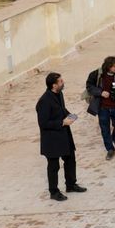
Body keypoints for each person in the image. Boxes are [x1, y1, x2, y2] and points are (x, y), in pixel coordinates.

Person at [36, 71, 84, 202]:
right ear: (53, 85)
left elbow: (61, 109)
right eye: (61, 81)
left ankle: (71, 184)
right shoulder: (44, 101)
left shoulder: (59, 94)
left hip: (64, 135)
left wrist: (70, 115)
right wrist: (62, 122)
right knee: (53, 166)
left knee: (70, 159)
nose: (63, 83)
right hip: (52, 139)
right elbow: (43, 123)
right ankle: (54, 192)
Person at [85, 56, 115, 160]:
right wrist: (100, 92)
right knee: (105, 129)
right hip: (103, 107)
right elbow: (89, 86)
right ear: (108, 66)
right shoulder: (96, 74)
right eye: (114, 66)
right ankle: (110, 149)